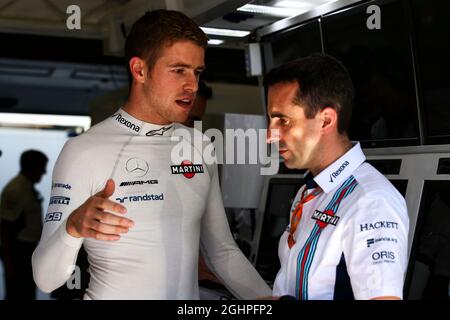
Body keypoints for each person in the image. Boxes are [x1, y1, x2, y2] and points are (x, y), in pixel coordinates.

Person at [32, 9, 271, 300]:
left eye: (197, 72)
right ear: (140, 70)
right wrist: (72, 228)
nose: (192, 86)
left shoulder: (200, 146)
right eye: (178, 70)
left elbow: (222, 251)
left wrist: (270, 298)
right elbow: (45, 279)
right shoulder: (83, 151)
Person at [264, 53, 409, 300]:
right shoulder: (308, 191)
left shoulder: (372, 201)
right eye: (271, 121)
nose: (270, 135)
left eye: (283, 121)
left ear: (326, 120)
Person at [0, 150, 48, 299]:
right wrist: (8, 262)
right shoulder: (17, 190)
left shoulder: (27, 187)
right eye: (42, 167)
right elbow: (6, 227)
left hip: (26, 250)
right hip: (18, 252)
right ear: (32, 167)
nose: (44, 172)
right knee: (18, 292)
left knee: (26, 292)